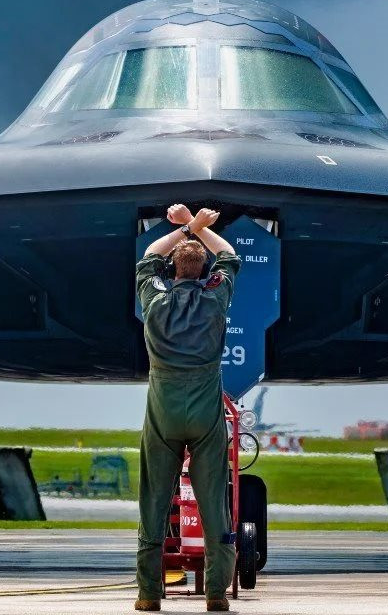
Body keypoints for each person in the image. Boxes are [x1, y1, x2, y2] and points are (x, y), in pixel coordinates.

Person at [134, 204, 240, 613]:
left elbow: (148, 258)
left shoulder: (154, 298)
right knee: (214, 503)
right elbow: (230, 256)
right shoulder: (215, 298)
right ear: (202, 269)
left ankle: (148, 594)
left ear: (173, 269)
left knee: (154, 502)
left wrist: (183, 228)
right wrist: (199, 226)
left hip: (162, 408)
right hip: (205, 408)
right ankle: (215, 593)